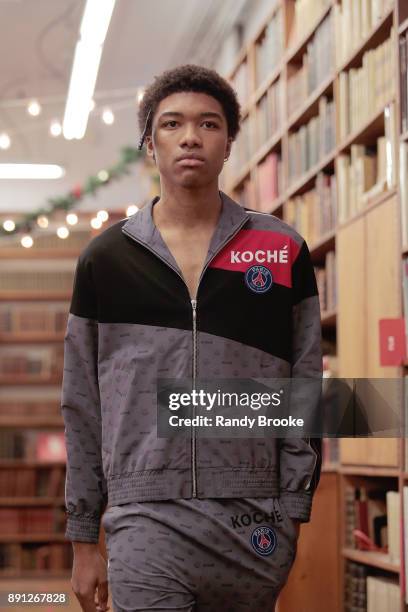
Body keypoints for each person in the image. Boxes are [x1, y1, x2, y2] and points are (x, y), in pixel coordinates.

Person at [61, 64, 323, 612]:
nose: (189, 137)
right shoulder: (105, 262)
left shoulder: (280, 251)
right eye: (172, 124)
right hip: (143, 512)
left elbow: (305, 383)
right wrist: (85, 537)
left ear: (229, 142)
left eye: (208, 124)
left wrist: (292, 506)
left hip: (253, 518)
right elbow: (82, 406)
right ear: (149, 145)